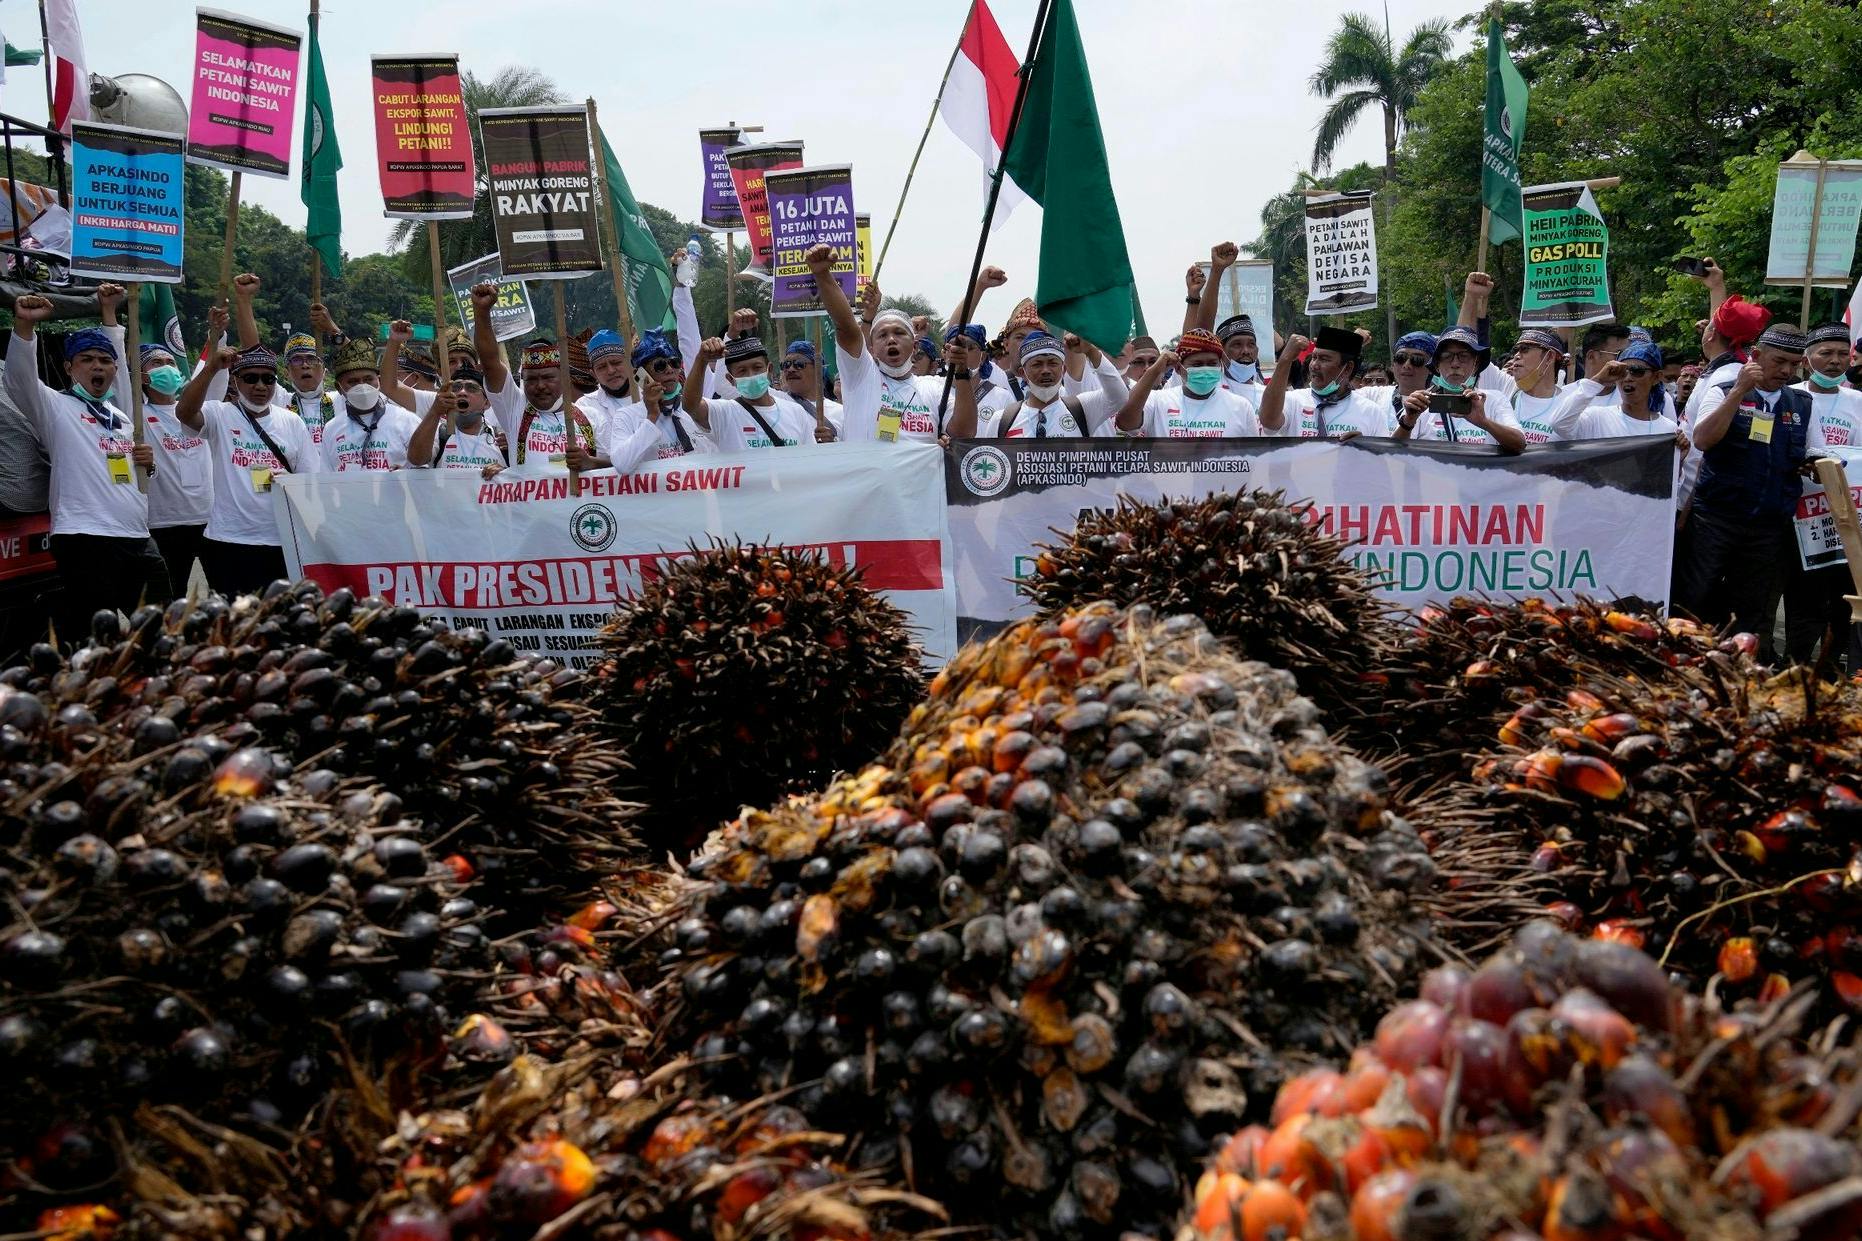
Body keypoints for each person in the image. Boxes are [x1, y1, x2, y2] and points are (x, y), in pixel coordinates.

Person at [6, 291, 166, 623]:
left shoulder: (122, 416)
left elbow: (127, 471)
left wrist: (147, 465)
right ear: (69, 367)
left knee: (159, 625)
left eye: (105, 360)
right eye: (87, 359)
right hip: (86, 539)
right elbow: (19, 380)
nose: (98, 366)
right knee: (97, 635)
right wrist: (24, 326)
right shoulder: (55, 408)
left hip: (137, 536)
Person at [1674, 324, 1811, 662]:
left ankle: (1737, 674)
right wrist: (1739, 391)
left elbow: (1816, 455)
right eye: (1779, 361)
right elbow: (1703, 440)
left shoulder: (1802, 403)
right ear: (1756, 356)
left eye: (1794, 364)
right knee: (1696, 597)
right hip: (1715, 520)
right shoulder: (1722, 389)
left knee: (1751, 609)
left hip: (1767, 527)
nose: (1786, 371)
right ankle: (1684, 662)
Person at [102, 291, 225, 592]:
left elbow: (215, 372)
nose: (169, 368)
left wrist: (218, 333)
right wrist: (109, 314)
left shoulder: (196, 410)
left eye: (171, 361)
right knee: (171, 596)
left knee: (227, 593)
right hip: (163, 524)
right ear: (142, 377)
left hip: (210, 520)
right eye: (158, 363)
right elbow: (118, 367)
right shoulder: (135, 412)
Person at [174, 344, 313, 596]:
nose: (260, 386)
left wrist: (291, 481)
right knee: (235, 622)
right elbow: (184, 412)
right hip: (228, 540)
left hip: (281, 541)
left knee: (278, 620)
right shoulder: (219, 413)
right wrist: (212, 368)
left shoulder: (292, 422)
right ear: (236, 381)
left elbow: (311, 479)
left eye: (268, 379)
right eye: (250, 378)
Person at [1781, 321, 1862, 670]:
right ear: (1807, 357)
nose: (1835, 361)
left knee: (1843, 599)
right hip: (1800, 518)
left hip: (1848, 519)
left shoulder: (1858, 402)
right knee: (1804, 599)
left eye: (1843, 354)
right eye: (1825, 353)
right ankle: (1796, 665)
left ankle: (1828, 668)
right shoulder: (1792, 397)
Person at [818, 244, 956, 442]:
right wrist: (823, 274)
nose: (891, 339)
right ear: (871, 349)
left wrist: (946, 443)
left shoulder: (933, 388)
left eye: (899, 333)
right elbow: (846, 327)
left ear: (915, 346)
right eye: (882, 336)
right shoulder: (861, 377)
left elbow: (963, 433)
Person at [948, 331, 1124, 438]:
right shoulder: (1002, 420)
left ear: (1063, 370)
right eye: (1037, 364)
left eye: (1053, 363)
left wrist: (1091, 351)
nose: (1046, 370)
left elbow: (1120, 397)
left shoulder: (1082, 409)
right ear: (1023, 373)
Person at [1389, 326, 1526, 451]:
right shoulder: (1420, 402)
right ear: (1436, 365)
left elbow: (1519, 444)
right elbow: (1392, 453)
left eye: (1463, 356)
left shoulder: (1494, 400)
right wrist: (1408, 421)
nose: (1455, 364)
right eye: (1447, 356)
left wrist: (1483, 422)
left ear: (1476, 364)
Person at [597, 332, 716, 471]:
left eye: (674, 363)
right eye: (660, 366)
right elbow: (622, 465)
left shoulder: (699, 408)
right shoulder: (626, 416)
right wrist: (651, 417)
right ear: (640, 375)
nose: (670, 370)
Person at [1110, 328, 1259, 438]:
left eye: (1212, 363)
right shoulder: (1157, 401)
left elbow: (1254, 458)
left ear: (1220, 366)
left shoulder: (1241, 407)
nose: (1205, 369)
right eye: (1197, 364)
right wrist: (1156, 369)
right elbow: (1125, 422)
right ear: (1179, 368)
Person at [682, 329, 814, 451]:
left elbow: (810, 459)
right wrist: (701, 360)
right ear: (731, 379)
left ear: (769, 370)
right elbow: (691, 406)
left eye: (757, 368)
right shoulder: (723, 413)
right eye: (742, 371)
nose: (751, 375)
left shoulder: (796, 412)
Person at [1544, 339, 1686, 445]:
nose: (1628, 378)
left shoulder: (1667, 429)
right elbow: (1559, 423)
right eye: (1622, 372)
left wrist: (1679, 463)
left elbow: (1667, 481)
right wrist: (1597, 380)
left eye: (1637, 371)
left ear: (1656, 377)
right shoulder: (1597, 418)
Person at [1259, 326, 1390, 437]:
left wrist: (1363, 449)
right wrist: (1285, 360)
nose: (1314, 365)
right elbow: (1268, 421)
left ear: (1347, 368)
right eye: (1314, 357)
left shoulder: (1370, 412)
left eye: (1324, 359)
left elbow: (1382, 461)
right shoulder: (1293, 401)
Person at [318, 334, 423, 472]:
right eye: (353, 381)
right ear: (339, 388)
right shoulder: (332, 429)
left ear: (379, 380)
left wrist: (406, 474)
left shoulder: (407, 421)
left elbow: (423, 471)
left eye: (368, 379)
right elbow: (326, 480)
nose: (362, 386)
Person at [505, 337, 603, 476]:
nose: (540, 386)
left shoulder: (591, 415)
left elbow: (619, 466)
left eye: (548, 377)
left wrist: (592, 463)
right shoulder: (516, 413)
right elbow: (490, 362)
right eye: (531, 379)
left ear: (564, 378)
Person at [406, 365, 507, 475]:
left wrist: (504, 473)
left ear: (486, 403)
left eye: (472, 388)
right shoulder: (439, 434)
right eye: (456, 388)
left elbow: (520, 477)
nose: (462, 392)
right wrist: (435, 411)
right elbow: (416, 459)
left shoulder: (501, 440)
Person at [944, 323, 1018, 426]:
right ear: (945, 354)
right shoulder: (932, 391)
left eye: (969, 348)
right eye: (953, 347)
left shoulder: (1002, 397)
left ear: (982, 357)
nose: (960, 352)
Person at [1501, 328, 1566, 443]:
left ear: (1550, 357)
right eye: (1516, 350)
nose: (1516, 355)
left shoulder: (1569, 404)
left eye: (1524, 349)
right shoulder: (1506, 388)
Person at [779, 340, 842, 442]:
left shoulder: (840, 412)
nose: (790, 369)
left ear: (818, 369)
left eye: (798, 364)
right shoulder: (777, 403)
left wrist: (833, 444)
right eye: (786, 364)